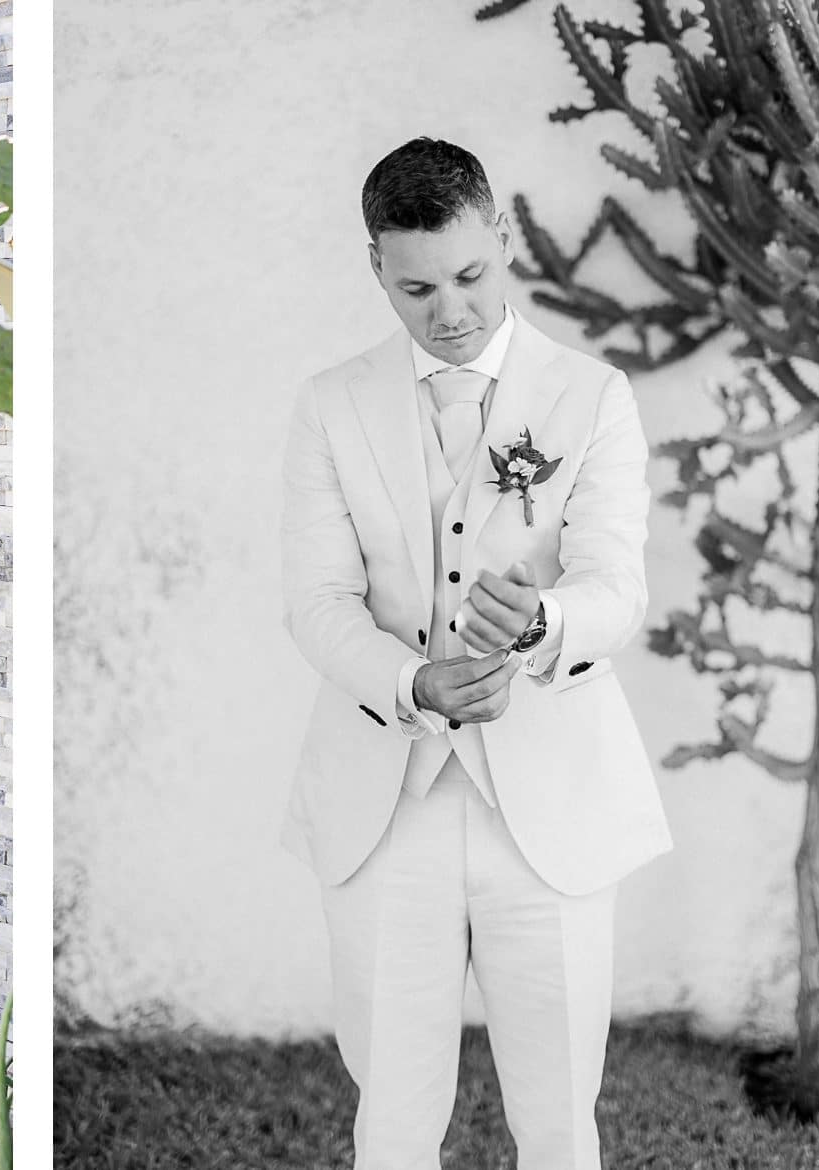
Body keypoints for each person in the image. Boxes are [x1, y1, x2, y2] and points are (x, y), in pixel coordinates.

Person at [280, 137, 672, 1169]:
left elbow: (615, 586)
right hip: (385, 798)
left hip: (549, 800)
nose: (447, 310)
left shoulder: (591, 397)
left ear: (500, 240)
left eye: (468, 275)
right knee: (394, 1116)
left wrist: (540, 625)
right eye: (414, 287)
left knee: (555, 1115)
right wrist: (411, 682)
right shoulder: (330, 403)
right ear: (375, 268)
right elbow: (316, 603)